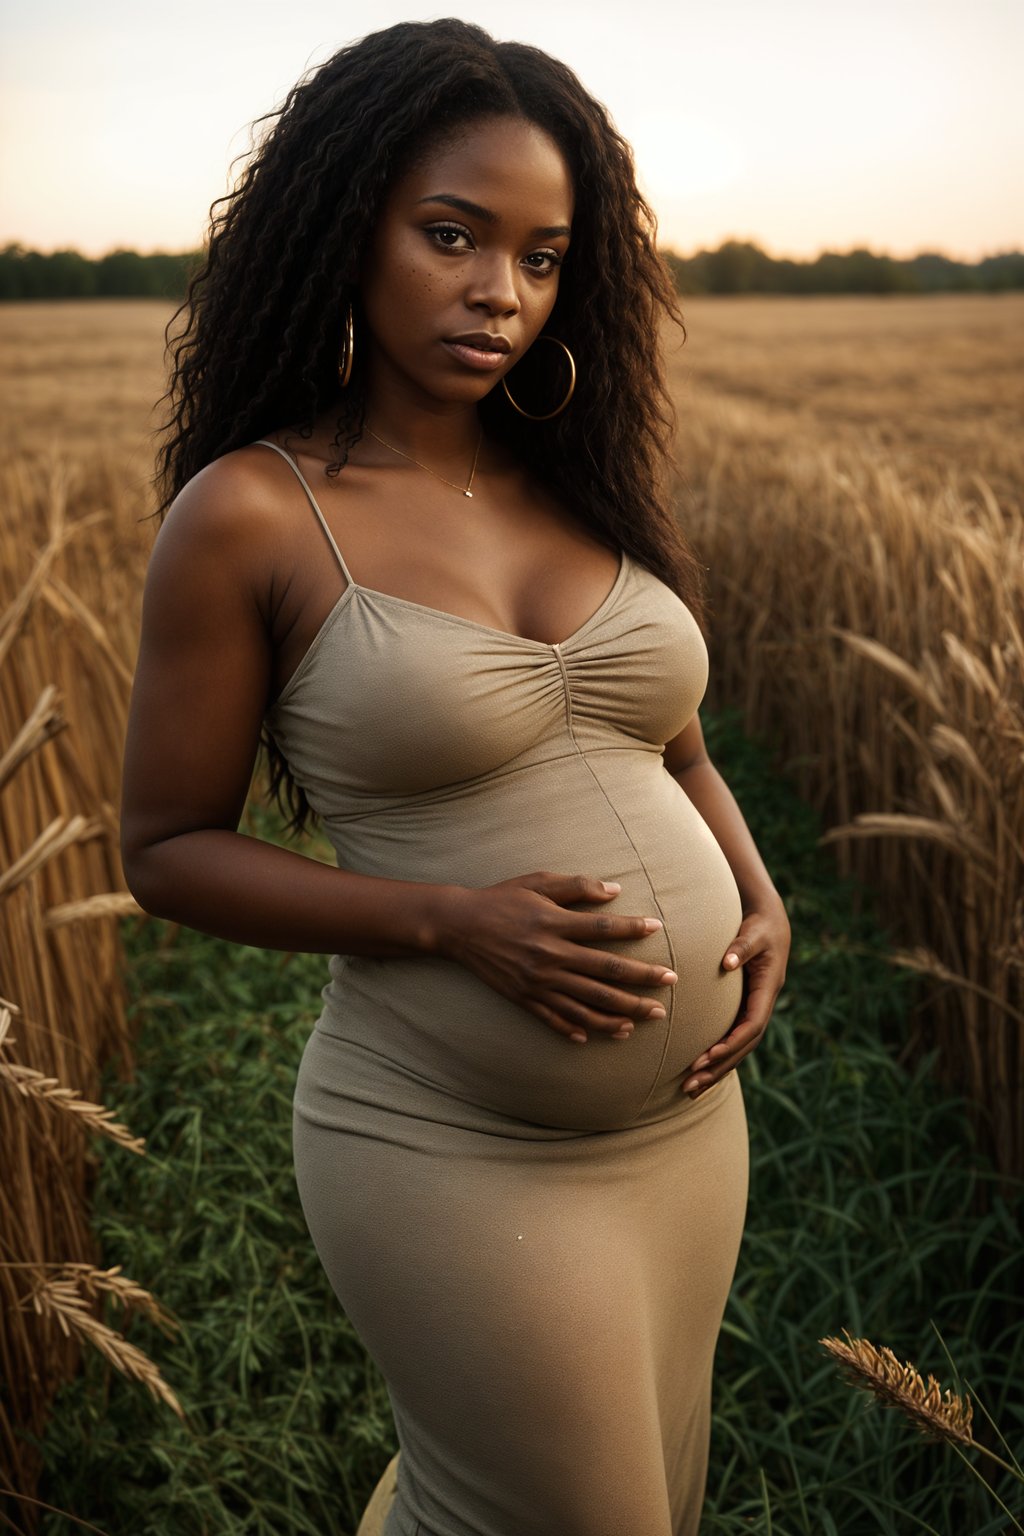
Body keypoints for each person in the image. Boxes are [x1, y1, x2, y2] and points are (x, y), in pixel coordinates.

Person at [120, 18, 791, 1535]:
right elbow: (162, 847)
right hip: (447, 1137)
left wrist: (757, 892)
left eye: (545, 256)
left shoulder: (581, 473)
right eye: (452, 236)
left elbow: (671, 741)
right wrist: (452, 922)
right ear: (342, 226)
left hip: (688, 1133)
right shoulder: (255, 515)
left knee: (645, 1503)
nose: (502, 292)